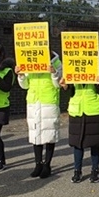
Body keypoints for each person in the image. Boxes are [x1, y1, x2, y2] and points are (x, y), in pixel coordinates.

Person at [16, 50, 63, 179]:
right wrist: (21, 76)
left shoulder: (57, 62)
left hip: (49, 102)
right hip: (33, 102)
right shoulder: (29, 59)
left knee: (49, 135)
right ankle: (38, 164)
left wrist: (53, 73)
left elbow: (59, 84)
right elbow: (25, 85)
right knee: (35, 135)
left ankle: (47, 164)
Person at [61, 60, 99, 184]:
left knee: (95, 143)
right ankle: (77, 171)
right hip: (77, 110)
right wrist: (65, 86)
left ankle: (95, 170)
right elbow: (71, 92)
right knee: (77, 143)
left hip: (94, 110)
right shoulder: (72, 68)